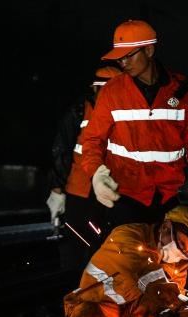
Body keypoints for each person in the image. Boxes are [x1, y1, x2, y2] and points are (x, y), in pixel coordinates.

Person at [79, 19, 188, 232]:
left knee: (171, 259)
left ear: (149, 50)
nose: (122, 63)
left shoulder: (181, 91)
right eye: (119, 57)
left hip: (168, 197)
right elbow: (92, 139)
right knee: (126, 259)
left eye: (129, 55)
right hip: (124, 197)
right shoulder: (112, 91)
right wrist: (97, 174)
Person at [47, 65, 121, 275]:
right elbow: (62, 149)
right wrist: (57, 189)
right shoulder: (79, 111)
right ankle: (76, 290)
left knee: (108, 244)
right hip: (79, 191)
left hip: (112, 193)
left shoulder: (127, 115)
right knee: (76, 244)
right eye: (101, 89)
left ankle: (103, 289)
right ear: (94, 89)